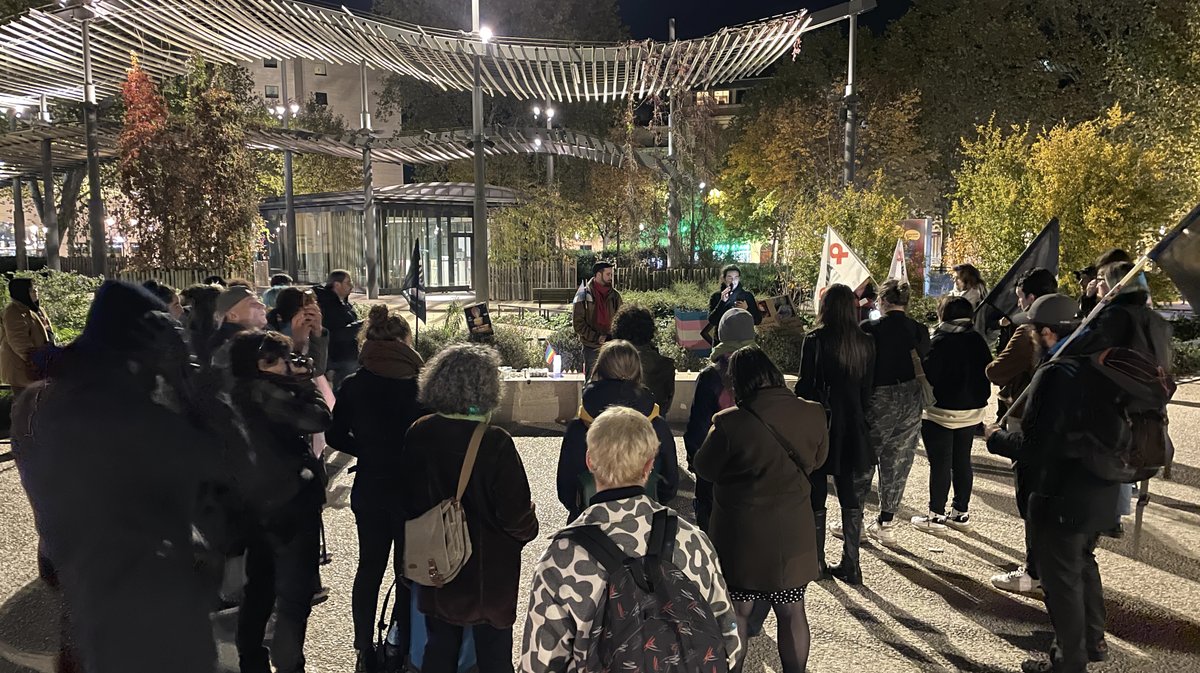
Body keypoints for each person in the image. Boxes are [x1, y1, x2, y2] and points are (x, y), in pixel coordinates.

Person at [12, 281, 223, 673]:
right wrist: (186, 379)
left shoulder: (37, 402)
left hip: (83, 597)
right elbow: (229, 467)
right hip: (156, 607)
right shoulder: (141, 418)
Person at [521, 406, 742, 673]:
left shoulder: (562, 556)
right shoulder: (692, 540)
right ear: (649, 465)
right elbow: (728, 638)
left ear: (590, 461)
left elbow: (540, 663)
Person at [984, 294, 1117, 673]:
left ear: (1045, 332)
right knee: (1084, 565)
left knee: (1061, 583)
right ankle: (1094, 642)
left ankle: (1067, 663)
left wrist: (995, 437)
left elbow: (1036, 447)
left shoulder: (1055, 372)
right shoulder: (1099, 362)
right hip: (1100, 486)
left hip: (1061, 494)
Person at [401, 344, 539, 673]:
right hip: (488, 580)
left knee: (440, 648)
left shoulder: (419, 432)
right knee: (494, 658)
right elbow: (518, 520)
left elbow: (406, 501)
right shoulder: (495, 441)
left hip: (437, 569)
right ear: (489, 387)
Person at [695, 347, 828, 673]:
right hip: (792, 536)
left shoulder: (730, 424)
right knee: (793, 610)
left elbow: (704, 468)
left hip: (742, 537)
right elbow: (818, 461)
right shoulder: (813, 412)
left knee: (738, 612)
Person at [327, 306, 425, 673]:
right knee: (407, 570)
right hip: (410, 488)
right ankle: (400, 642)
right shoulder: (419, 384)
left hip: (370, 485)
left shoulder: (354, 384)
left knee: (369, 567)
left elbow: (336, 435)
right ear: (404, 342)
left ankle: (363, 646)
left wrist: (367, 449)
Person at [230, 330, 332, 673]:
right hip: (288, 506)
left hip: (255, 504)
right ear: (254, 365)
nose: (284, 367)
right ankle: (289, 663)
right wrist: (307, 385)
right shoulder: (267, 393)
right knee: (293, 595)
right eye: (272, 361)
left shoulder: (236, 391)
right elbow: (319, 418)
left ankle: (251, 659)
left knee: (259, 587)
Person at [795, 284, 874, 584]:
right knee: (848, 492)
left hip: (821, 421)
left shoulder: (815, 340)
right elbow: (868, 391)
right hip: (853, 423)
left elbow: (805, 386)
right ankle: (852, 563)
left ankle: (817, 562)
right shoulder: (866, 341)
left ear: (825, 307)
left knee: (816, 487)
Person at [986, 268, 1057, 593]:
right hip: (1060, 421)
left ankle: (1033, 572)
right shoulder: (1075, 326)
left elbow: (997, 371)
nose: (1019, 305)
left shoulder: (1027, 331)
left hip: (1027, 415)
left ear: (1030, 298)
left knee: (1029, 494)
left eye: (1019, 298)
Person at [557, 339, 679, 521]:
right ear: (638, 372)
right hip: (647, 525)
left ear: (598, 370)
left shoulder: (579, 428)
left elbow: (566, 490)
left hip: (589, 526)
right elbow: (669, 485)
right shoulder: (656, 425)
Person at [854, 280, 930, 547]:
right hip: (911, 399)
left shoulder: (869, 329)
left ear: (882, 301)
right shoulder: (919, 330)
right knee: (899, 460)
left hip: (878, 398)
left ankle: (856, 522)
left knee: (864, 459)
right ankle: (886, 524)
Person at [910, 296, 993, 534]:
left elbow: (930, 376)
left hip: (940, 412)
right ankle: (960, 512)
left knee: (940, 463)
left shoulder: (940, 341)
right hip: (972, 411)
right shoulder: (977, 340)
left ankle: (936, 515)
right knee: (962, 460)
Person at [684, 307, 757, 532]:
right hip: (754, 467)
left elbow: (698, 428)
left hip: (716, 469)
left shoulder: (711, 376)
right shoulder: (765, 371)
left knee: (712, 532)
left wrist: (695, 461)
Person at [610, 305, 675, 411]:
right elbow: (665, 407)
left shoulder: (610, 363)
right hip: (652, 425)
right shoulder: (666, 366)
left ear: (618, 330)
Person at [1, 276, 54, 393]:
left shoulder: (36, 309)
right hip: (23, 370)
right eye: (31, 289)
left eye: (36, 288)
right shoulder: (13, 312)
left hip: (40, 366)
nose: (35, 291)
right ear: (22, 292)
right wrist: (35, 362)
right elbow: (19, 341)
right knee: (24, 405)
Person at [314, 269, 362, 391]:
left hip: (349, 357)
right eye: (348, 282)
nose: (351, 286)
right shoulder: (326, 305)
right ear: (336, 284)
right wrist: (360, 326)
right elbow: (332, 334)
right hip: (337, 360)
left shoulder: (344, 304)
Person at [572, 261, 622, 377]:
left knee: (612, 382)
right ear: (598, 275)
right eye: (608, 274)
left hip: (611, 346)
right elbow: (578, 324)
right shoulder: (582, 294)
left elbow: (621, 320)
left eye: (611, 274)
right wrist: (597, 337)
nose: (611, 278)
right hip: (591, 347)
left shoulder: (615, 296)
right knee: (591, 382)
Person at [211, 285, 268, 368]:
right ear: (233, 316)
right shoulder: (233, 346)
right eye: (252, 304)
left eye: (259, 301)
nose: (262, 305)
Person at [708, 264, 762, 330]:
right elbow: (712, 321)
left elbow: (757, 321)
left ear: (739, 279)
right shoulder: (716, 296)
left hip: (743, 337)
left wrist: (746, 310)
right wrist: (722, 302)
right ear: (724, 278)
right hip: (723, 337)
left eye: (736, 277)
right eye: (730, 277)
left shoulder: (747, 296)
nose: (733, 280)